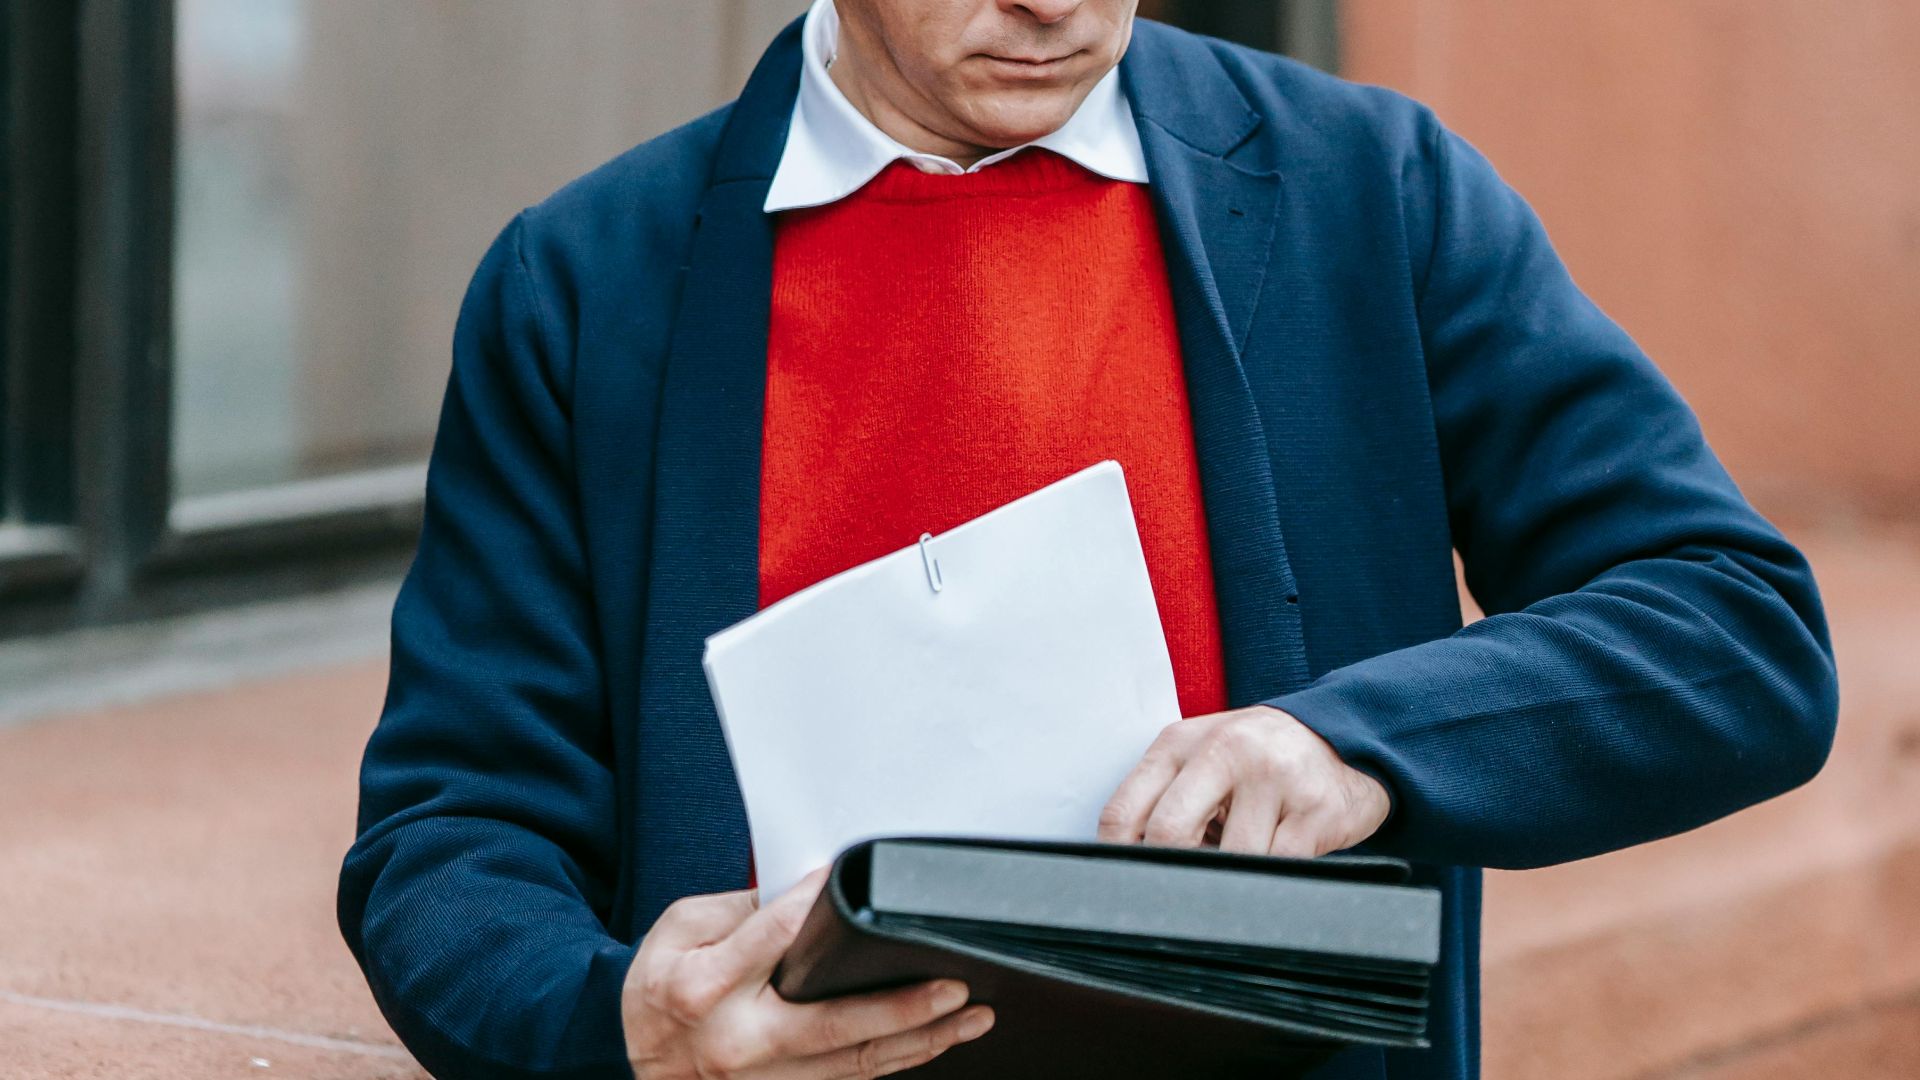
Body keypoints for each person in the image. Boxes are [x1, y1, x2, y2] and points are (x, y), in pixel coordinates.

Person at [337, 1, 1840, 1077]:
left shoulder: (1366, 194)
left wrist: (1351, 745)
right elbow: (448, 834)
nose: (1054, 2)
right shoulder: (590, 283)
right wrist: (611, 1026)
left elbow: (1736, 630)